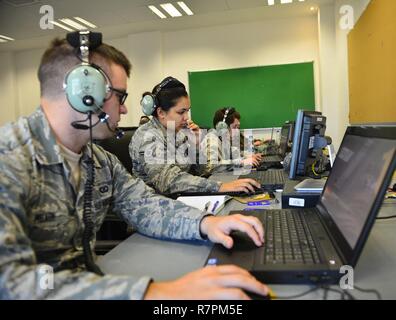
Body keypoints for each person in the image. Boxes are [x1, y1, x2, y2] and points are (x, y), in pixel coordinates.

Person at [0, 34, 269, 300]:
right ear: (85, 93)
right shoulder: (9, 161)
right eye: (120, 96)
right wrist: (155, 292)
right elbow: (11, 282)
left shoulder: (97, 159)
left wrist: (207, 223)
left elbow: (144, 204)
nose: (126, 109)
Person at [130, 77, 261, 195]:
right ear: (161, 112)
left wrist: (196, 146)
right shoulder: (147, 136)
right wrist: (220, 187)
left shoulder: (179, 133)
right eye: (181, 112)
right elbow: (168, 181)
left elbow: (203, 171)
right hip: (155, 206)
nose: (187, 117)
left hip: (181, 198)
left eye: (187, 111)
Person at [200, 107, 262, 175]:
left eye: (238, 128)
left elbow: (233, 154)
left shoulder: (224, 139)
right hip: (211, 181)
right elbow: (211, 167)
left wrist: (248, 156)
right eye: (234, 127)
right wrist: (242, 162)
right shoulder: (212, 140)